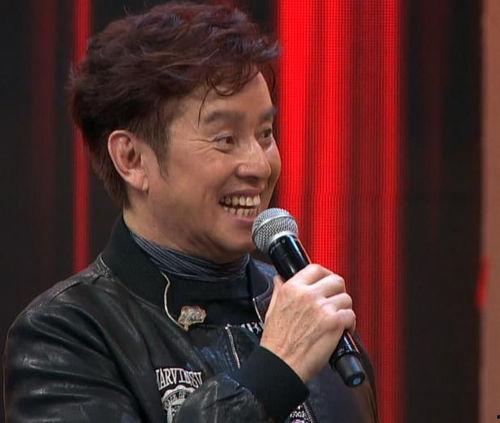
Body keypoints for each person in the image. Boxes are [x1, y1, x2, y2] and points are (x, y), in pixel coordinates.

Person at [3, 2, 379, 422]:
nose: (259, 166)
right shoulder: (65, 335)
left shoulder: (315, 318)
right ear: (131, 159)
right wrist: (274, 371)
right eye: (225, 139)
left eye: (265, 133)